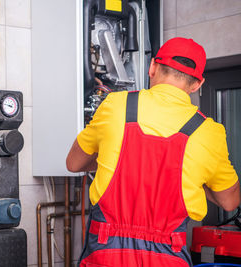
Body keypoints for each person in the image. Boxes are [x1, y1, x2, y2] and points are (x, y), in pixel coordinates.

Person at [66, 37, 241, 267]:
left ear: (152, 68)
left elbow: (74, 163)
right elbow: (230, 202)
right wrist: (195, 179)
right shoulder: (208, 131)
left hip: (106, 253)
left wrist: (121, 159)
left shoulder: (114, 105)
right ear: (198, 84)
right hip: (168, 256)